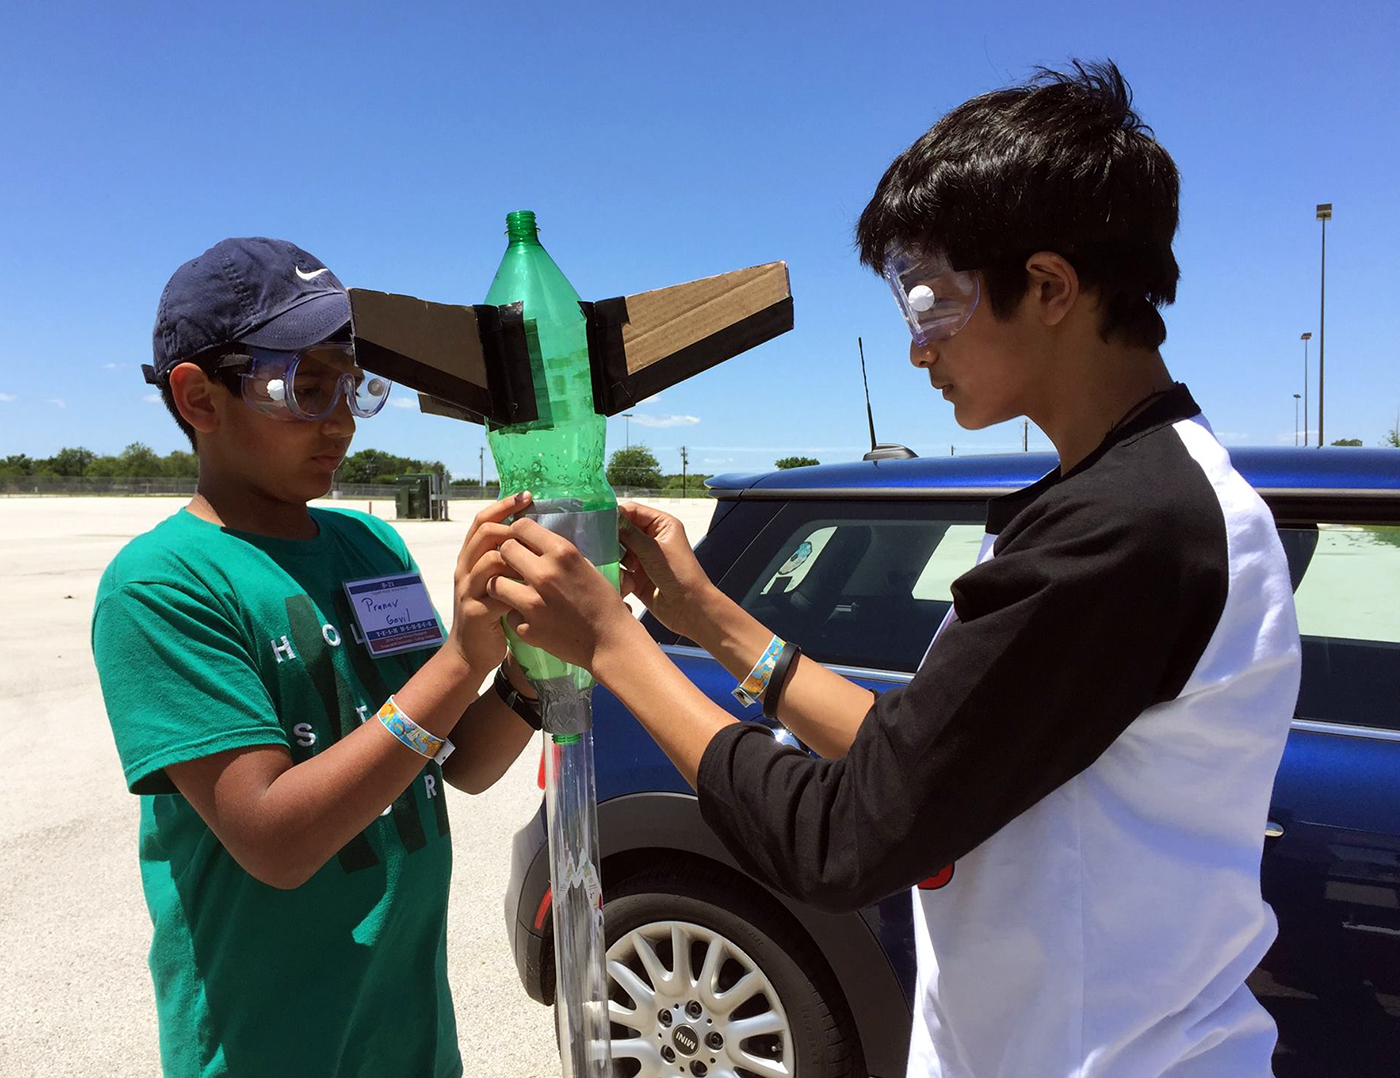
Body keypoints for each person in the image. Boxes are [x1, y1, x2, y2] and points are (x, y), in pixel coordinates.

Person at [476, 62, 1301, 1076]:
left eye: (934, 300)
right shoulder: (1121, 497)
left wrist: (609, 642)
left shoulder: (1127, 529)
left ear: (1047, 286)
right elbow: (910, 763)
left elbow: (837, 838)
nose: (918, 348)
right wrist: (699, 614)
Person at [91, 237, 542, 1078]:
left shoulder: (370, 545)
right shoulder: (162, 584)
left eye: (350, 384)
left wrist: (529, 676)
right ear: (199, 398)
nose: (338, 418)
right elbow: (275, 840)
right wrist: (460, 659)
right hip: (267, 1047)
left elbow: (462, 762)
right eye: (304, 385)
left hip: (410, 1041)